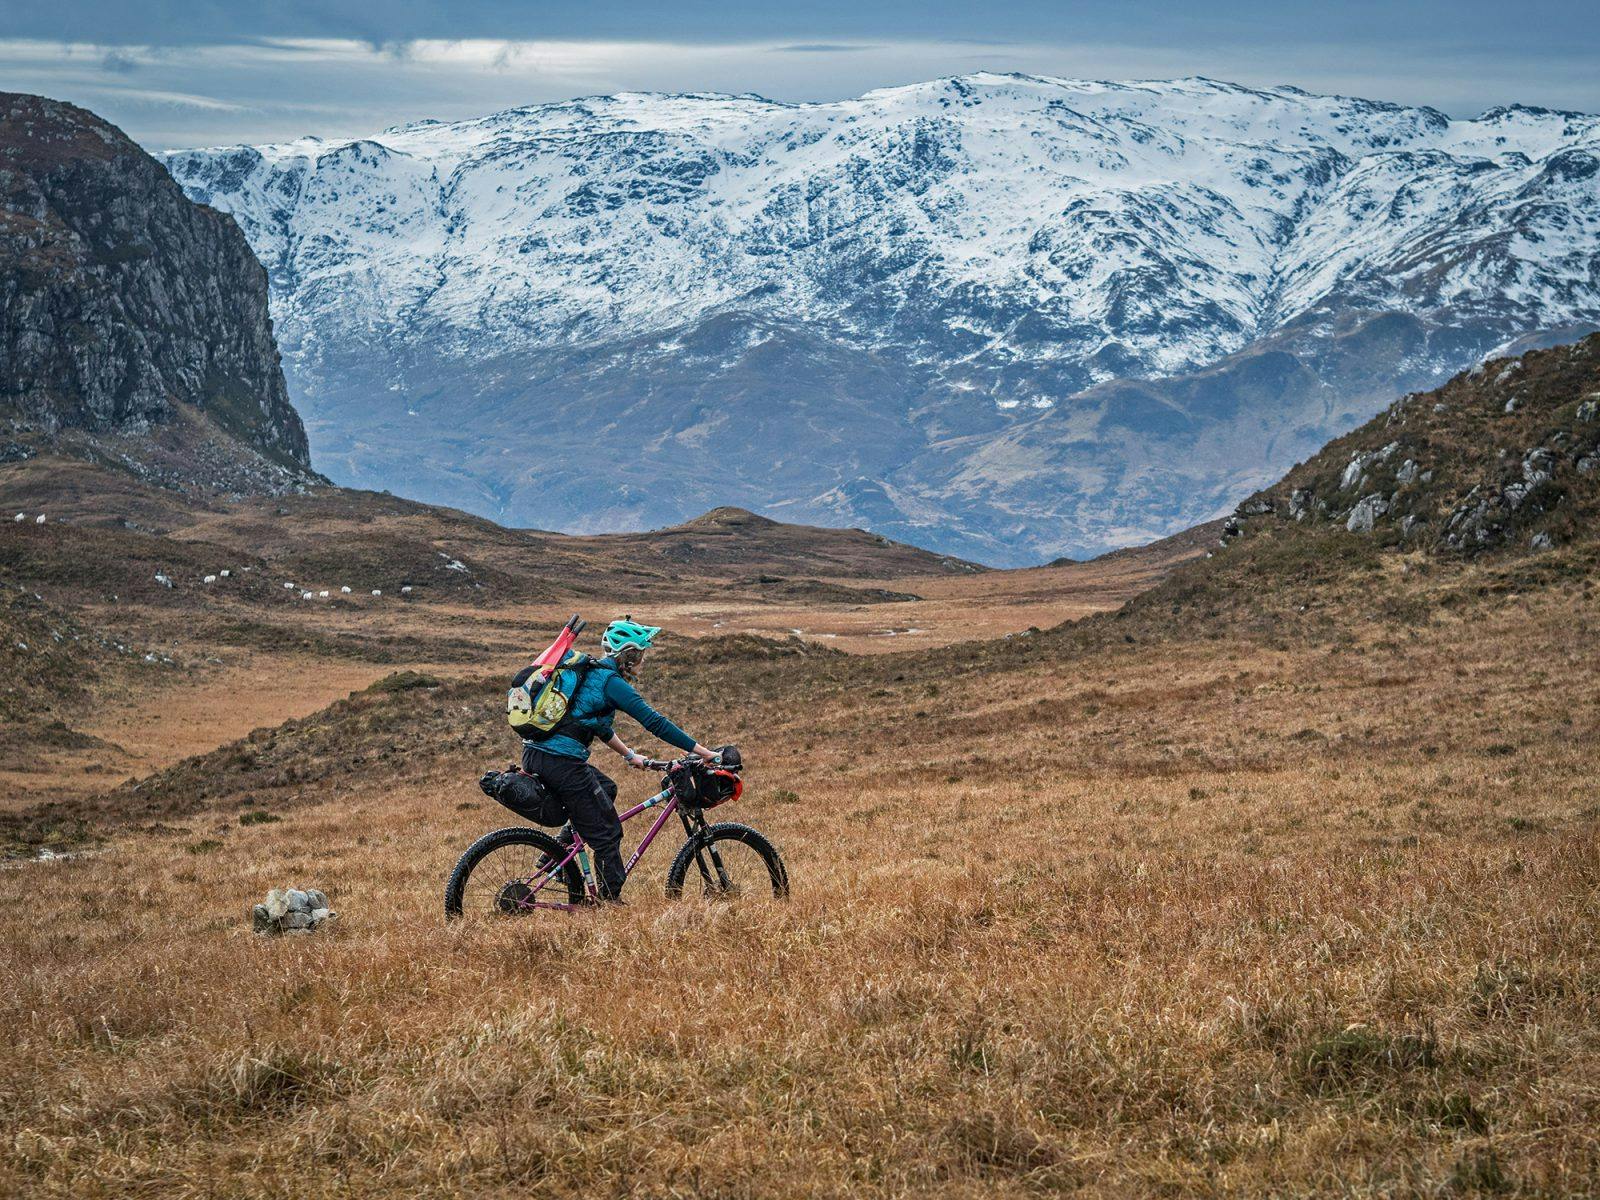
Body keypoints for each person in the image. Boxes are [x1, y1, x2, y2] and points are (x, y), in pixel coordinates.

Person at [523, 617, 719, 902]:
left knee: (608, 789)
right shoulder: (611, 682)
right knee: (608, 833)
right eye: (640, 654)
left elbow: (596, 725)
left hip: (537, 754)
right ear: (628, 655)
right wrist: (705, 753)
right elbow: (654, 721)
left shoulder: (592, 672)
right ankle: (609, 901)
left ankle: (555, 856)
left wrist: (630, 755)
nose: (643, 660)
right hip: (561, 761)